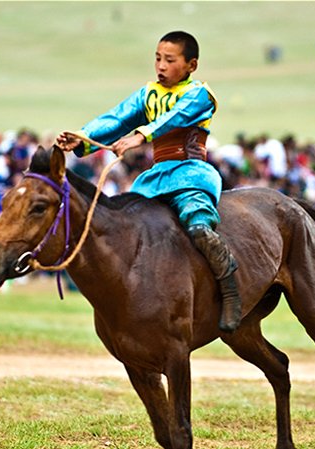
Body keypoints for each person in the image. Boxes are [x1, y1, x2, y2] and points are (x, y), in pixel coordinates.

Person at [56, 31, 242, 332]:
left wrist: (140, 136)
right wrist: (82, 137)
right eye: (157, 59)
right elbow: (117, 118)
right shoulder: (148, 94)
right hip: (154, 180)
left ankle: (230, 291)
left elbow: (174, 117)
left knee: (198, 226)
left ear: (191, 65)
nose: (161, 66)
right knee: (126, 227)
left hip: (190, 175)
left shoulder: (200, 95)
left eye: (170, 60)